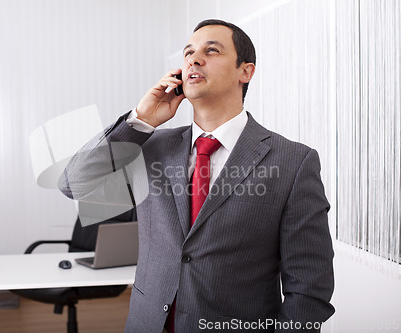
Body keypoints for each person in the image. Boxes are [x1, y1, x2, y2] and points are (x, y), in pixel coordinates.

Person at [59, 19, 334, 333]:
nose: (193, 59)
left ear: (245, 71)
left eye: (211, 51)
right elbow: (74, 183)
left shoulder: (293, 161)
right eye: (188, 53)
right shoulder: (150, 147)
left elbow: (309, 288)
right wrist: (141, 120)